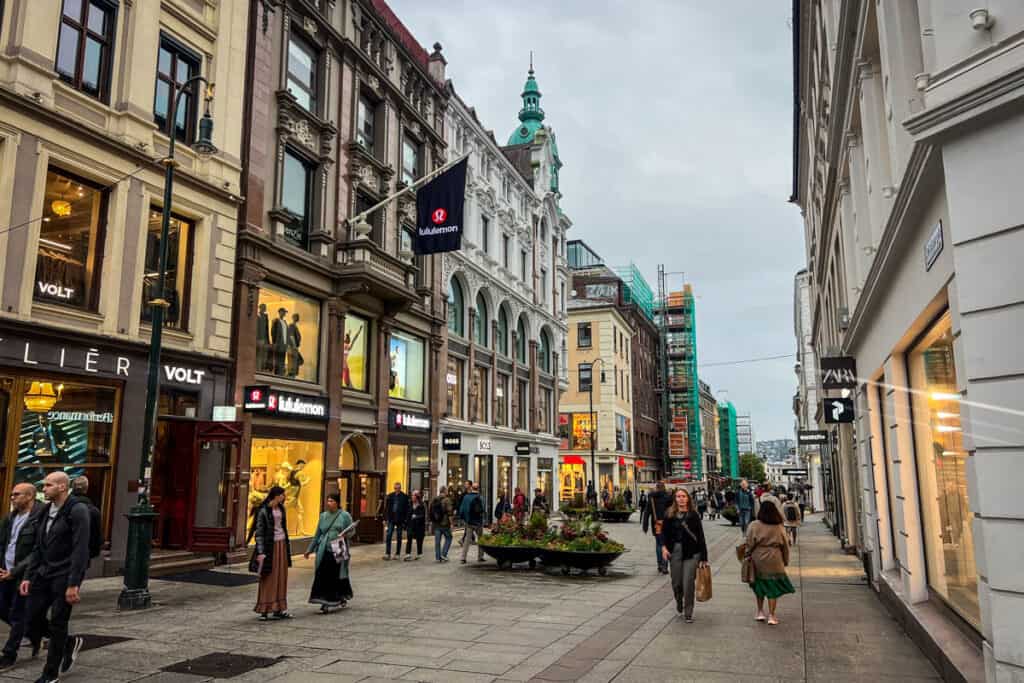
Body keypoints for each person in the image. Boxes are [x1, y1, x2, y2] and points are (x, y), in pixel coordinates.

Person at [21, 472, 90, 681]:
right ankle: (68, 643)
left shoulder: (77, 511)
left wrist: (73, 583)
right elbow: (38, 547)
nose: (44, 488)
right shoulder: (44, 511)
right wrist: (27, 576)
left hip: (64, 574)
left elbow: (81, 549)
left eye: (48, 485)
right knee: (31, 619)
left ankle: (50, 675)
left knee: (59, 621)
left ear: (62, 487)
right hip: (43, 573)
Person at [0, 483, 42, 670]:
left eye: (17, 495)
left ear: (29, 496)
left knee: (18, 614)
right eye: (12, 495)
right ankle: (35, 634)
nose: (12, 498)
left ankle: (9, 654)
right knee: (2, 608)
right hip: (5, 572)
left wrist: (15, 572)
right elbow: (3, 544)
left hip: (25, 575)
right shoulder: (10, 518)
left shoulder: (39, 519)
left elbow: (37, 551)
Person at [659, 488, 708, 623]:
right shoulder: (669, 514)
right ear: (675, 499)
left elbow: (700, 536)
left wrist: (704, 557)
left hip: (692, 553)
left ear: (688, 498)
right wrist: (663, 548)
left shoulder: (694, 515)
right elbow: (663, 533)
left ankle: (688, 612)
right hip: (675, 551)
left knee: (688, 583)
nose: (681, 499)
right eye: (678, 496)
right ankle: (679, 601)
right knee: (676, 583)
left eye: (683, 496)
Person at [745, 499, 795, 625]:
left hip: (758, 558)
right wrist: (786, 560)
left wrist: (747, 554)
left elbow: (749, 543)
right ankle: (772, 616)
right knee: (772, 588)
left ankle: (760, 612)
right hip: (775, 558)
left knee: (759, 586)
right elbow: (785, 545)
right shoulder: (779, 526)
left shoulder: (754, 525)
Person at [305, 493, 354, 613]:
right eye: (328, 501)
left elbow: (352, 531)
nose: (329, 503)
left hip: (339, 546)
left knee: (338, 574)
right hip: (324, 547)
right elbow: (317, 535)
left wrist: (345, 534)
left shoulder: (344, 515)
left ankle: (339, 596)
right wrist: (309, 549)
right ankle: (324, 601)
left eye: (332, 501)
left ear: (337, 502)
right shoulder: (323, 516)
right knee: (323, 574)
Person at [252, 486, 292, 620]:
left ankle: (279, 608)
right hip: (270, 546)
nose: (284, 497)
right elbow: (259, 532)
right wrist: (261, 551)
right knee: (268, 576)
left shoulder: (281, 509)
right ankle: (264, 609)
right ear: (276, 495)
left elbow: (283, 527)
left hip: (281, 544)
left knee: (281, 576)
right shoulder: (263, 510)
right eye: (282, 495)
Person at [641, 481, 673, 574]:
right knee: (665, 544)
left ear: (656, 488)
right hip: (667, 524)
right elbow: (672, 511)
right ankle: (664, 566)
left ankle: (659, 564)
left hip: (656, 524)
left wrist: (645, 526)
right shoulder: (668, 498)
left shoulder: (652, 498)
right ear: (664, 487)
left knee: (659, 544)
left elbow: (647, 513)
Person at [71, 476, 101, 558]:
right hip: (84, 553)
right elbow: (95, 536)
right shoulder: (94, 511)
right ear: (86, 489)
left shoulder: (63, 507)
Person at [382, 482, 410, 561]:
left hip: (400, 519)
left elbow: (406, 510)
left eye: (398, 488)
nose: (396, 490)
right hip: (391, 518)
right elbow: (386, 508)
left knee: (399, 536)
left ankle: (397, 553)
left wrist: (405, 520)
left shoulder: (404, 497)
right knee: (389, 535)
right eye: (395, 488)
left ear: (400, 488)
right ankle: (388, 553)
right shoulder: (390, 496)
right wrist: (385, 518)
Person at [458, 484, 485, 564]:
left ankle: (463, 557)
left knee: (467, 539)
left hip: (469, 522)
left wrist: (464, 519)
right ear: (478, 489)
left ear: (471, 488)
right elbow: (482, 509)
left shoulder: (466, 497)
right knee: (480, 539)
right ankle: (480, 556)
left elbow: (462, 509)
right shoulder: (481, 497)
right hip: (478, 522)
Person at [431, 487, 454, 562]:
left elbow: (430, 510)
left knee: (437, 541)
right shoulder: (447, 500)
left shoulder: (434, 499)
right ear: (445, 491)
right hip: (444, 523)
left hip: (436, 523)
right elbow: (450, 513)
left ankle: (437, 557)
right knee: (449, 538)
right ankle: (443, 554)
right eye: (447, 491)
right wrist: (451, 524)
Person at [404, 491, 426, 561]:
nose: (412, 497)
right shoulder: (409, 504)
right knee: (409, 538)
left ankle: (419, 554)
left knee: (419, 539)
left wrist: (416, 516)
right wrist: (405, 523)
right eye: (412, 495)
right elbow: (407, 514)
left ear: (417, 497)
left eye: (413, 495)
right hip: (411, 524)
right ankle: (408, 554)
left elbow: (423, 516)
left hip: (419, 525)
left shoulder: (422, 505)